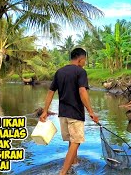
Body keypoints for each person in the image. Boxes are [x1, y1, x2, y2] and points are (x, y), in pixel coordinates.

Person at [39, 47, 99, 175]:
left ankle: (74, 164)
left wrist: (45, 111)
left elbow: (50, 92)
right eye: (85, 60)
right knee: (76, 142)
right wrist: (91, 112)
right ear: (80, 59)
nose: (85, 63)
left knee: (72, 140)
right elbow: (82, 92)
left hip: (63, 114)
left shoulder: (59, 72)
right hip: (75, 113)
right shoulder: (80, 72)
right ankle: (63, 172)